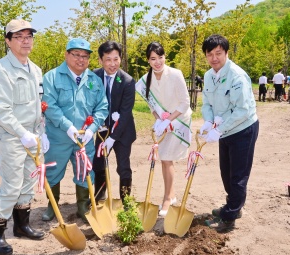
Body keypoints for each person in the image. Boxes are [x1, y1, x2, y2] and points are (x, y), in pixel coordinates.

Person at [0, 19, 48, 255]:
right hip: (12, 137)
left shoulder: (35, 69)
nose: (25, 41)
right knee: (11, 185)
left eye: (29, 36)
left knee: (28, 182)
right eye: (19, 36)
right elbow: (1, 110)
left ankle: (21, 225)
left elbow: (38, 106)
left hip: (33, 137)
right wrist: (22, 133)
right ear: (8, 41)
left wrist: (40, 132)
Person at [41, 38, 108, 222]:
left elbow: (102, 107)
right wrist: (67, 126)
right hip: (58, 137)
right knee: (53, 171)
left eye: (85, 56)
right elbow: (50, 105)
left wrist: (92, 129)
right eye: (76, 55)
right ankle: (52, 206)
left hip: (84, 140)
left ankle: (82, 206)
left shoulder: (94, 80)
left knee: (85, 172)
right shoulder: (52, 77)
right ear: (66, 55)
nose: (81, 59)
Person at [200, 34, 259, 232]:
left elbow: (242, 110)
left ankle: (229, 216)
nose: (214, 58)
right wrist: (209, 121)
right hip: (222, 129)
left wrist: (219, 129)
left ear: (226, 52)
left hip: (242, 129)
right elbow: (207, 102)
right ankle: (234, 206)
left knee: (238, 175)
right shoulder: (209, 75)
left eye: (218, 53)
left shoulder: (237, 76)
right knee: (226, 172)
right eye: (210, 54)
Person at [135, 41, 192, 217]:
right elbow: (151, 105)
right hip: (163, 124)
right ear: (148, 60)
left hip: (179, 120)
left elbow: (185, 103)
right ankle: (172, 195)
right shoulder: (145, 80)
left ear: (164, 57)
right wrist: (159, 119)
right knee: (166, 160)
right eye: (153, 59)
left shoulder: (175, 74)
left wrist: (169, 120)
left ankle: (168, 198)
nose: (158, 62)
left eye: (160, 57)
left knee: (166, 158)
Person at [92, 41, 136, 203]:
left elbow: (125, 114)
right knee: (98, 163)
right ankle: (100, 196)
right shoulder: (93, 76)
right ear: (101, 60)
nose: (112, 64)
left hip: (123, 132)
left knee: (123, 167)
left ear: (120, 59)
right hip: (102, 130)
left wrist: (113, 138)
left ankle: (126, 202)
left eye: (116, 59)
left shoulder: (127, 81)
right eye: (108, 59)